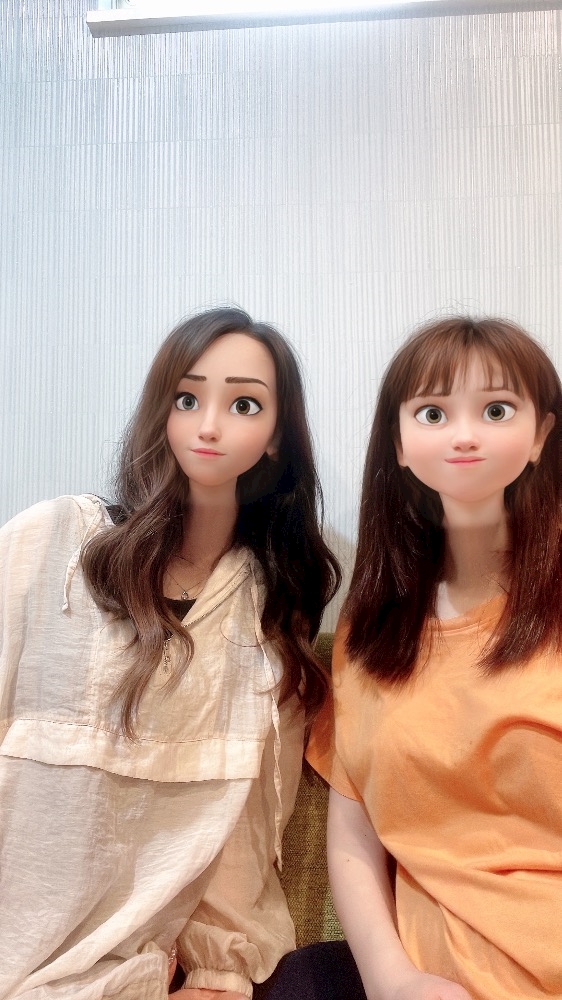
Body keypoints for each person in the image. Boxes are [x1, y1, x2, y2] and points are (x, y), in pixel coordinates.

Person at [0, 307, 340, 1000]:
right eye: (187, 399)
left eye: (243, 404)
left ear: (277, 438)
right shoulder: (53, 543)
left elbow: (248, 822)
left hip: (131, 974)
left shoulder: (269, 611)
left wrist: (220, 967)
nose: (209, 425)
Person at [298, 316, 562, 1000]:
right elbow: (353, 836)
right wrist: (393, 981)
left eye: (496, 410)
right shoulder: (372, 628)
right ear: (400, 444)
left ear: (540, 436)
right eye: (433, 413)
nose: (464, 435)